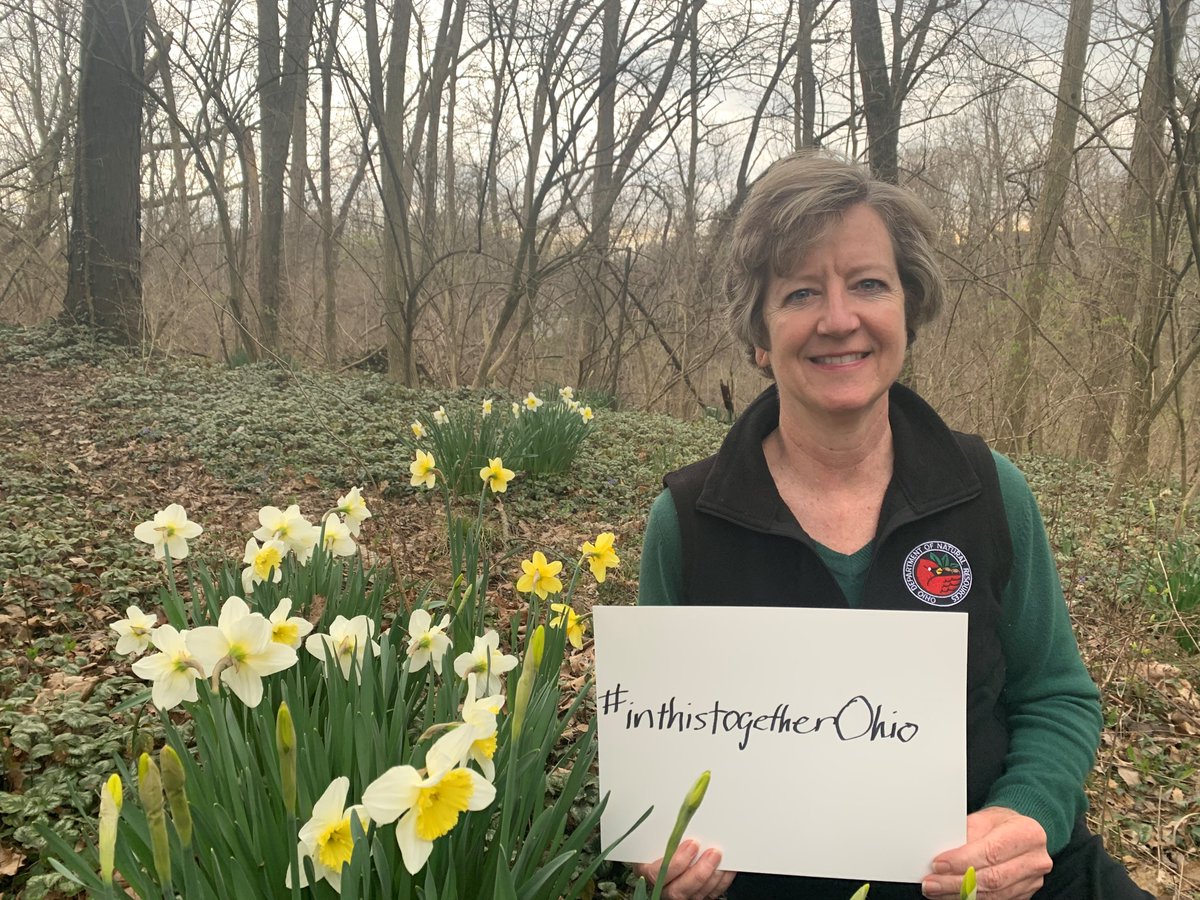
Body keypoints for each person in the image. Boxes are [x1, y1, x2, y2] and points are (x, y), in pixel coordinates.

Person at [633, 153, 1150, 900]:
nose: (839, 319)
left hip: (991, 884)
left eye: (869, 284)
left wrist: (1026, 812)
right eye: (801, 292)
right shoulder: (687, 523)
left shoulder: (989, 490)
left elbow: (1056, 695)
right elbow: (663, 749)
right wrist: (669, 848)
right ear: (759, 335)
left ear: (909, 309)